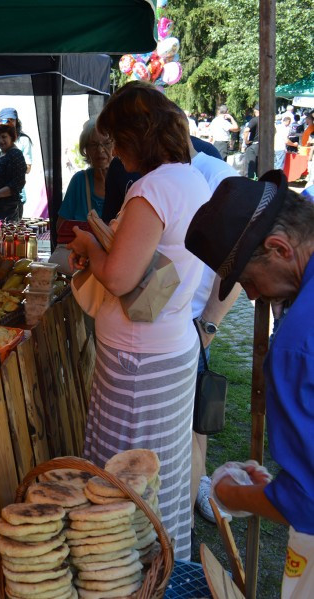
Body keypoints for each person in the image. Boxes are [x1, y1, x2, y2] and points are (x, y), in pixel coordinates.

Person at [67, 81, 210, 561]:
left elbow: (121, 277)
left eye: (115, 140)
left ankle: (128, 573)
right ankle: (162, 564)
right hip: (168, 348)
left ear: (135, 136)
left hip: (137, 363)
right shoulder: (190, 179)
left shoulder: (152, 189)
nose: (112, 152)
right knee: (159, 471)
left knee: (125, 478)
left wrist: (89, 246)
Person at [186, 170, 314, 599]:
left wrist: (231, 494)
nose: (253, 297)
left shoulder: (298, 343)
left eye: (247, 282)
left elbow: (307, 502)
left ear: (279, 248)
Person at [183, 137, 243, 525]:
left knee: (195, 415)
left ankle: (195, 488)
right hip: (177, 319)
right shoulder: (180, 173)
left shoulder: (216, 176)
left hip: (194, 319)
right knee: (192, 415)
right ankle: (197, 484)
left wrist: (209, 325)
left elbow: (238, 262)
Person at [59, 119, 111, 221]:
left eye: (107, 143)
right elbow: (61, 227)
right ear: (86, 150)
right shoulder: (79, 181)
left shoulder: (125, 180)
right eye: (93, 145)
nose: (100, 150)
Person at [0, 122, 27, 224]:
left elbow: (17, 183)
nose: (0, 140)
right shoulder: (2, 153)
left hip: (8, 211)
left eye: (4, 137)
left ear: (12, 137)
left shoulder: (15, 154)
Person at [0, 108, 34, 204]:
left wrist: (14, 161)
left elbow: (28, 168)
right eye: (5, 120)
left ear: (17, 121)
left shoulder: (23, 140)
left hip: (15, 196)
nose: (9, 123)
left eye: (12, 120)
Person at [244, 104, 261, 178]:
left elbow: (246, 130)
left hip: (253, 145)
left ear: (255, 111)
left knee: (250, 165)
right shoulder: (268, 120)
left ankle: (250, 181)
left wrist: (246, 140)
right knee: (259, 166)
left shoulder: (255, 120)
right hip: (263, 146)